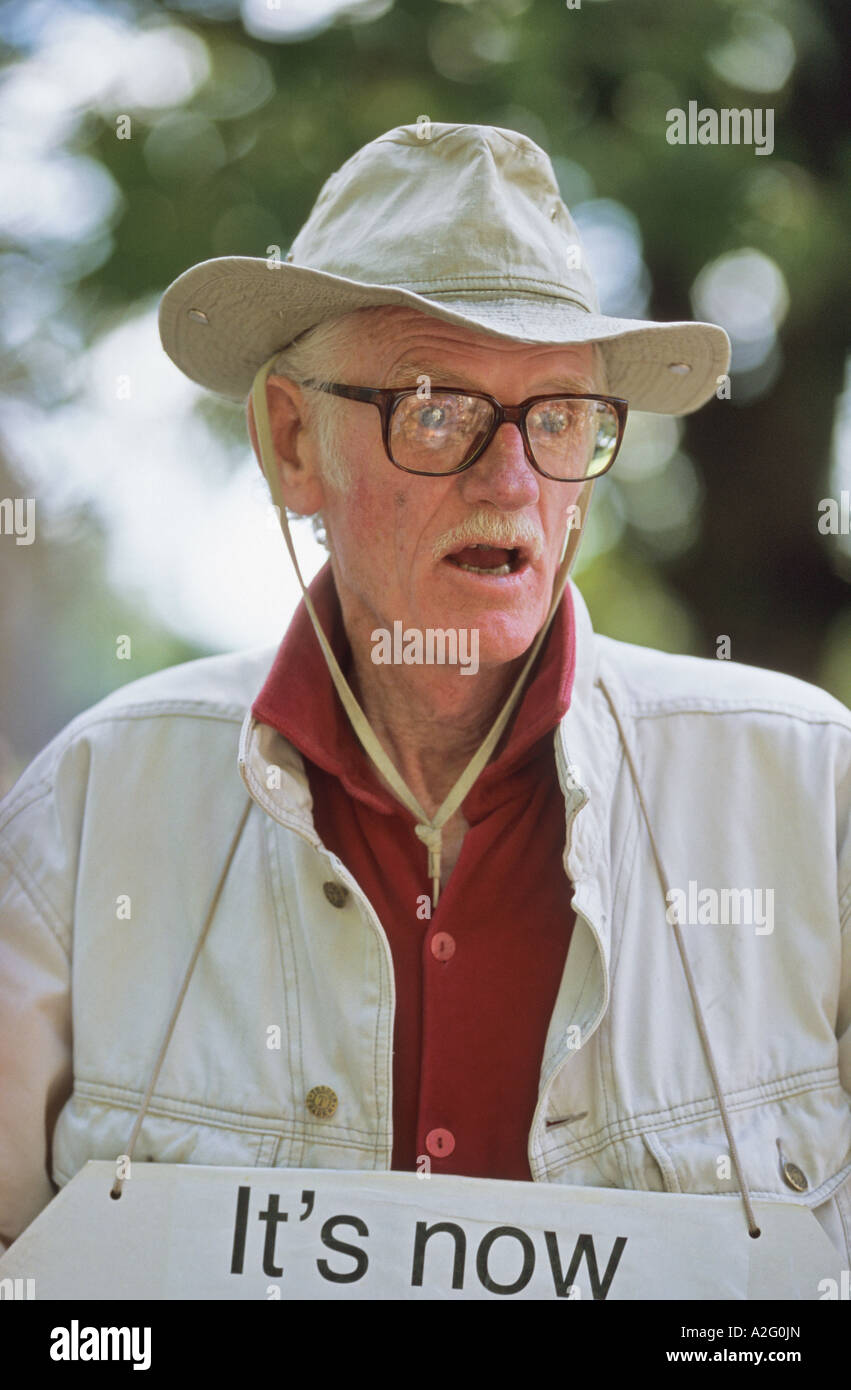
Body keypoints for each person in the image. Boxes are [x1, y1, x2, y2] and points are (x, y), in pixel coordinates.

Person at [1, 123, 849, 1266]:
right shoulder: (87, 811)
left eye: (556, 417)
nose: (509, 480)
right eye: (435, 407)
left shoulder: (810, 794)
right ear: (293, 442)